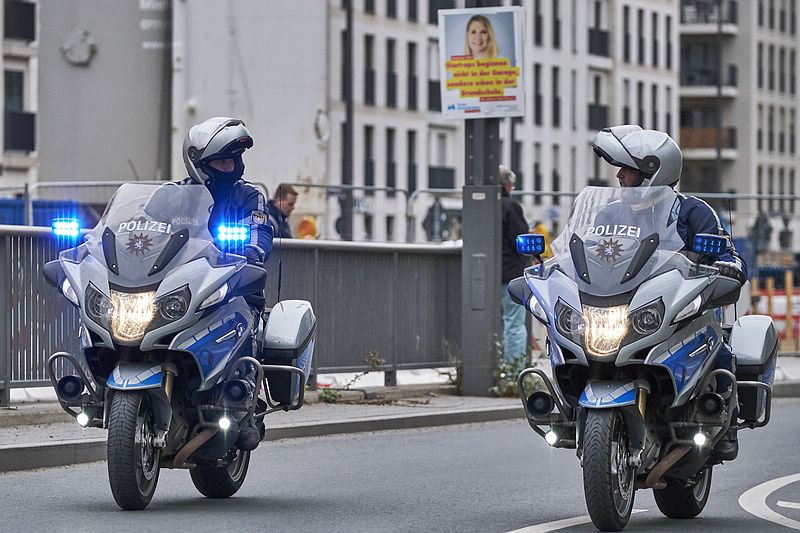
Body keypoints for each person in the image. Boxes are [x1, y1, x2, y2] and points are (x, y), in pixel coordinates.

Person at [592, 124, 746, 462]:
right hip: (624, 308)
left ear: (651, 172)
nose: (619, 176)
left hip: (678, 310)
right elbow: (588, 255)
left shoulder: (694, 212)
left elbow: (730, 257)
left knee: (717, 349)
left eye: (627, 169)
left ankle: (725, 422)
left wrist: (727, 267)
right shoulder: (609, 213)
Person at [182, 116, 272, 451]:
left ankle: (244, 403)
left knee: (245, 321)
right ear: (200, 164)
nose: (231, 167)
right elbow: (148, 224)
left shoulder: (249, 197)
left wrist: (252, 249)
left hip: (236, 285)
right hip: (186, 287)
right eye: (222, 160)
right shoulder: (178, 195)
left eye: (235, 160)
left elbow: (259, 230)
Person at [500, 165, 530, 364]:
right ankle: (514, 371)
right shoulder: (511, 207)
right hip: (510, 274)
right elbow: (521, 241)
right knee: (513, 324)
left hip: (483, 274)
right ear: (507, 184)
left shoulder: (480, 206)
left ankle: (494, 366)